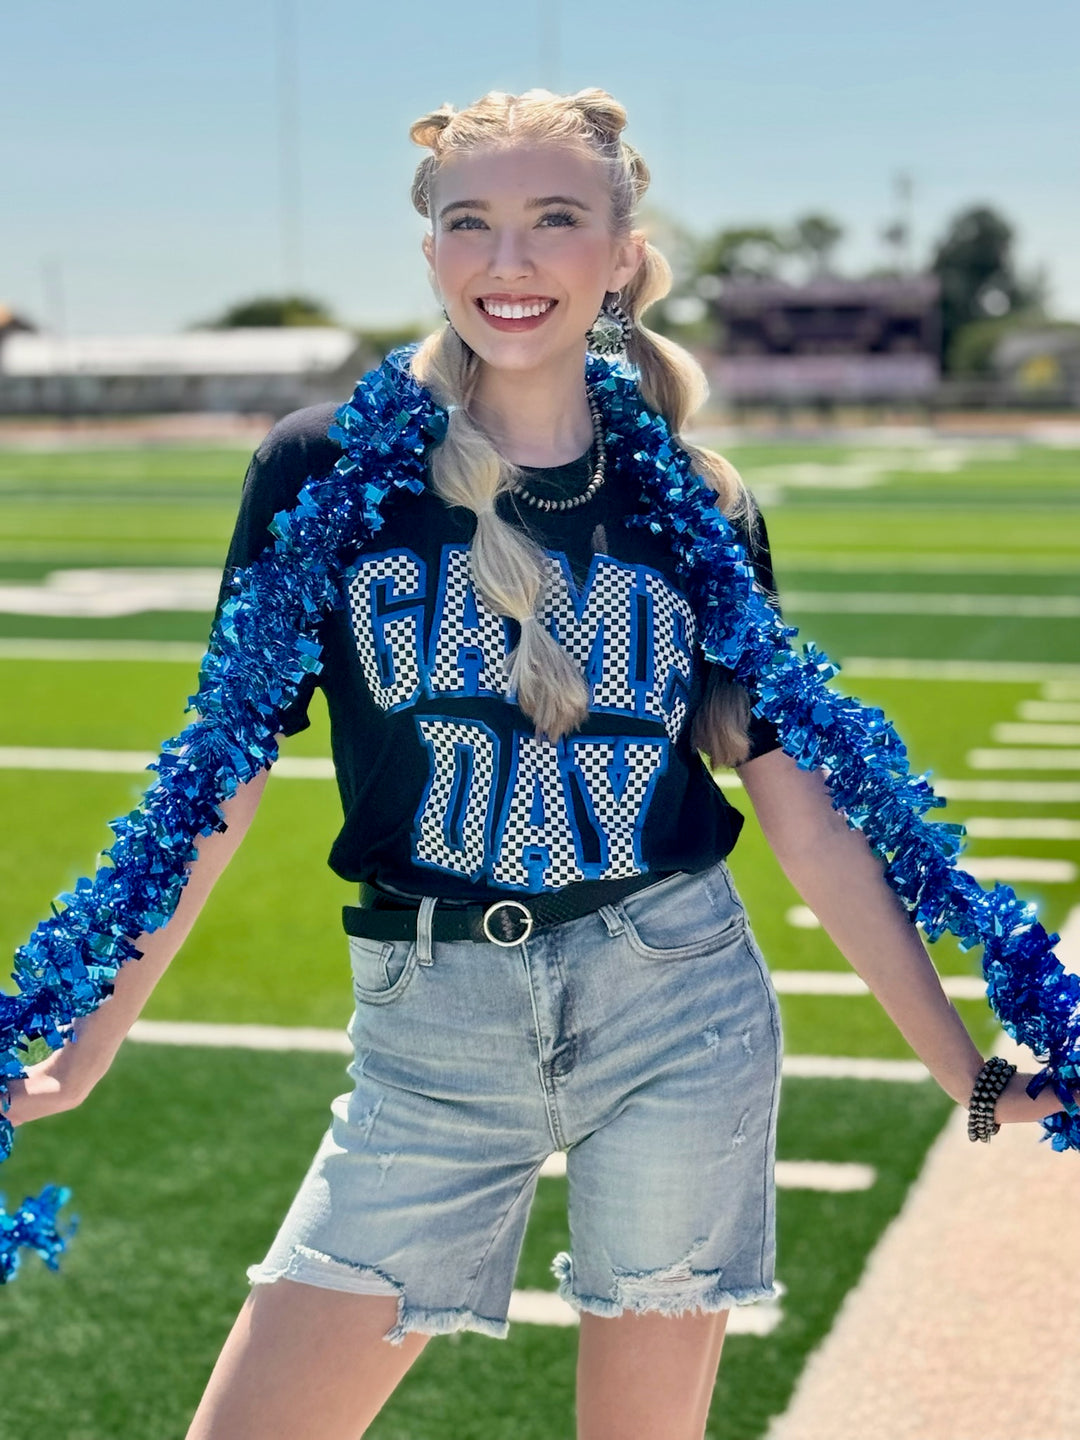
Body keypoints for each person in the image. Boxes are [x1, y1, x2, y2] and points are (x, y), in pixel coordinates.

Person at [6, 86, 1074, 1440]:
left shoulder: (696, 502)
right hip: (430, 1028)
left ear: (622, 251)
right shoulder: (325, 474)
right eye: (473, 224)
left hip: (677, 1006)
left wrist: (963, 1069)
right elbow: (214, 783)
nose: (509, 263)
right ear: (432, 249)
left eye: (553, 220)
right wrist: (88, 1046)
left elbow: (804, 814)